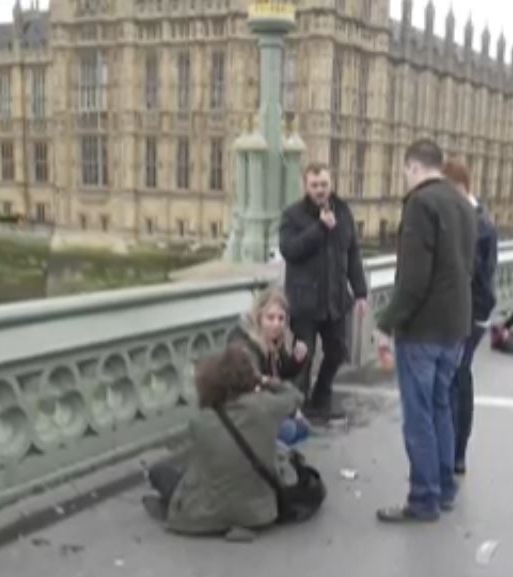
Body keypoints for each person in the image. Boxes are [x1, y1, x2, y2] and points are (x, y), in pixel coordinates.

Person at [374, 139, 477, 523]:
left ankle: (423, 498)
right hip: (456, 325)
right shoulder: (463, 205)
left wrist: (386, 325)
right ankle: (445, 489)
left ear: (413, 168)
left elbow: (413, 280)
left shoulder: (421, 204)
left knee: (418, 415)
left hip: (424, 329)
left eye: (406, 172)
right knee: (440, 409)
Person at [142, 345, 314, 541]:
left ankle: (176, 505)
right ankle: (240, 520)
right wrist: (264, 380)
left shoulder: (200, 421)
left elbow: (199, 468)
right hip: (259, 514)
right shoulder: (265, 406)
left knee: (160, 472)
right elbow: (295, 395)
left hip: (207, 514)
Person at [279, 163, 368, 423]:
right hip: (304, 302)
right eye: (315, 185)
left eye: (324, 185)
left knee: (337, 351)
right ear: (305, 186)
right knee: (303, 358)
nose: (320, 190)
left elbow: (352, 254)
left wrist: (360, 292)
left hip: (336, 299)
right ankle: (297, 407)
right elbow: (289, 250)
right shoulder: (292, 215)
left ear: (331, 184)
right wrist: (319, 228)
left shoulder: (343, 211)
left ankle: (321, 399)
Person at [441, 160, 498, 476]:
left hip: (469, 314)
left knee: (458, 380)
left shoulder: (474, 224)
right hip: (474, 312)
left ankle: (456, 453)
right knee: (460, 378)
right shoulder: (478, 219)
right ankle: (456, 452)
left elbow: (467, 272)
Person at [227, 289, 312, 446]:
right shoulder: (244, 346)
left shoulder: (274, 339)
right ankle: (266, 458)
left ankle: (278, 459)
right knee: (290, 430)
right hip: (243, 413)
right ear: (258, 317)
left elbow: (282, 372)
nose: (276, 324)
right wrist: (289, 409)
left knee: (303, 429)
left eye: (281, 319)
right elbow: (256, 386)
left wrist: (296, 360)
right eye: (270, 318)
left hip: (265, 405)